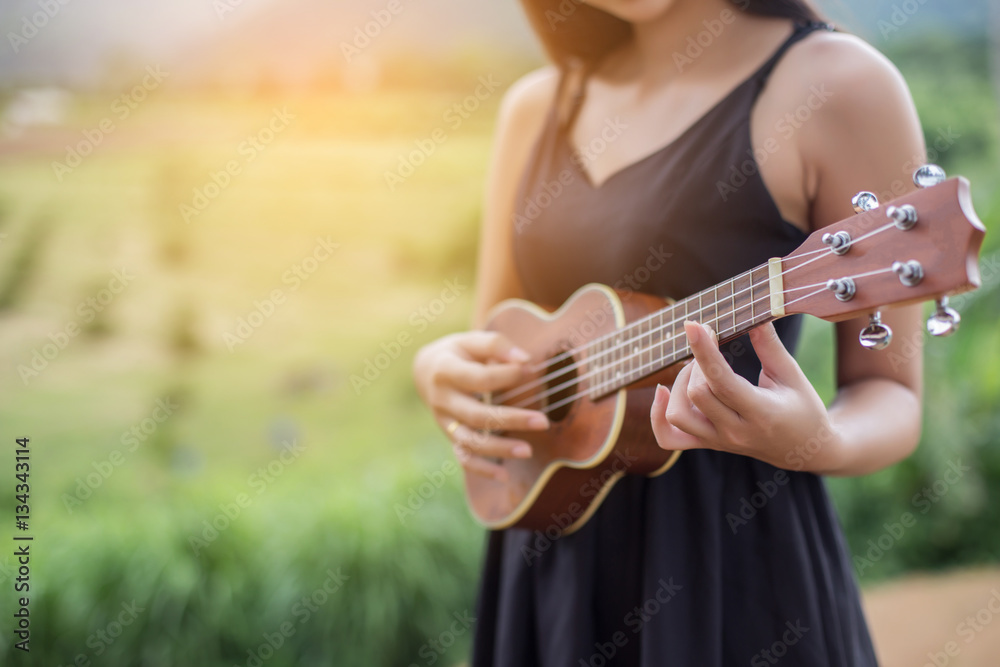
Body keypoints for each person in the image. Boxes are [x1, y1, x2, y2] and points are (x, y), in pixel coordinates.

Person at [413, 0, 925, 664]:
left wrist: (817, 440)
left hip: (732, 564)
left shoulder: (836, 83)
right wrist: (437, 368)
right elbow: (499, 335)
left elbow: (894, 395)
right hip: (548, 552)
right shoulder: (538, 106)